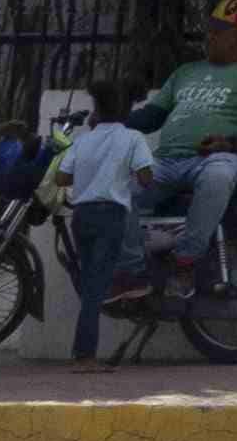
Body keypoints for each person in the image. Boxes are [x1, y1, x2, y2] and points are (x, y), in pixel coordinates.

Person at [127, 0, 237, 283]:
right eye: (210, 29)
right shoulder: (185, 72)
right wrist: (113, 120)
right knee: (118, 188)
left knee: (218, 176)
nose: (210, 36)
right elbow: (152, 116)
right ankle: (133, 272)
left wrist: (229, 144)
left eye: (220, 31)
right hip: (164, 161)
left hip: (216, 159)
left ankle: (185, 259)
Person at [49, 84, 157, 364]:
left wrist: (91, 173)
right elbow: (146, 178)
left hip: (82, 217)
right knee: (97, 288)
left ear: (97, 110)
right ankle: (84, 357)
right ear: (126, 111)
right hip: (111, 216)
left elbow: (61, 178)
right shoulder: (133, 138)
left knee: (90, 283)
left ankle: (82, 352)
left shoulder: (84, 140)